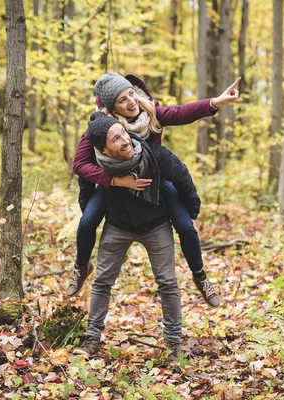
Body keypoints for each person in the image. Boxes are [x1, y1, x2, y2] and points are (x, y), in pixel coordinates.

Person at [68, 72, 240, 308]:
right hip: (115, 184)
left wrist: (215, 102)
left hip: (156, 179)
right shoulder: (103, 126)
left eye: (131, 94)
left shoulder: (150, 112)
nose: (131, 102)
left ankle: (200, 275)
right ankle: (81, 266)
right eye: (122, 100)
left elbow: (180, 113)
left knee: (186, 227)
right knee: (87, 222)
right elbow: (79, 164)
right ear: (112, 108)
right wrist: (115, 180)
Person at [73, 112, 202, 361]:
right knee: (102, 281)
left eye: (122, 132)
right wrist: (92, 209)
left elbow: (182, 175)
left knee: (167, 282)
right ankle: (92, 338)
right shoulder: (98, 166)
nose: (124, 140)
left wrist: (191, 210)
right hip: (118, 225)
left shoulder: (151, 153)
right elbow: (85, 190)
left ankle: (173, 344)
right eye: (115, 139)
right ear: (104, 150)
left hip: (156, 225)